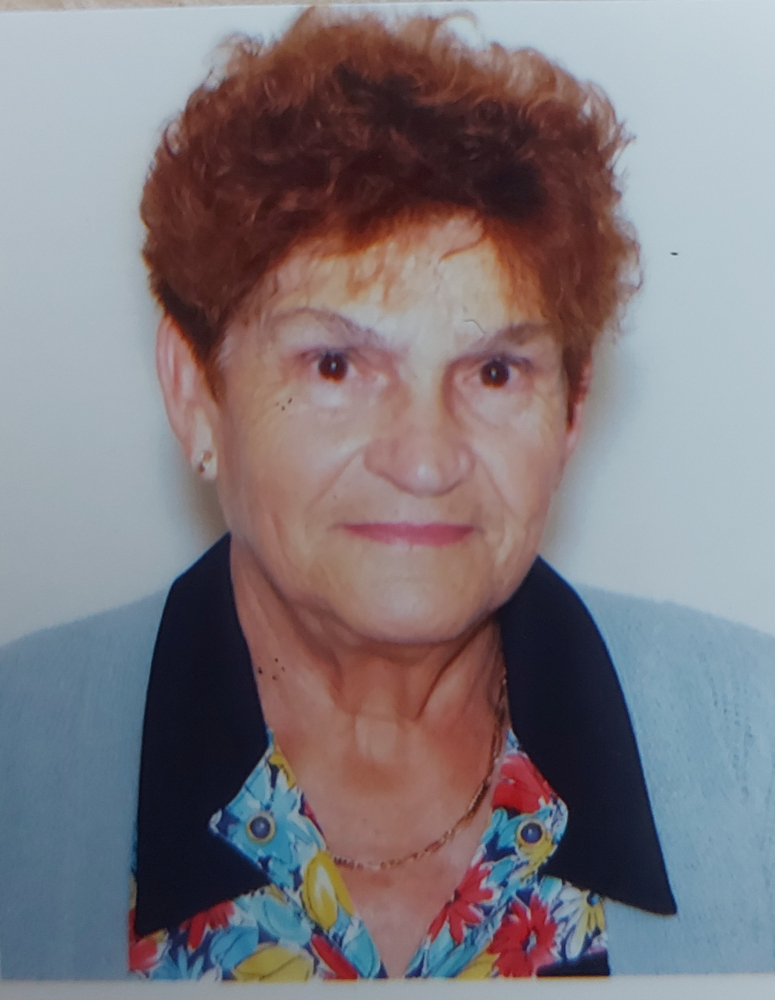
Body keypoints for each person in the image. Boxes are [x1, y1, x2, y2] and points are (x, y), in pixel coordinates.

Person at [1, 7, 773, 982]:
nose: (424, 458)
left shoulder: (753, 746)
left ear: (571, 410)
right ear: (195, 391)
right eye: (334, 364)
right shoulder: (20, 756)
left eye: (494, 371)